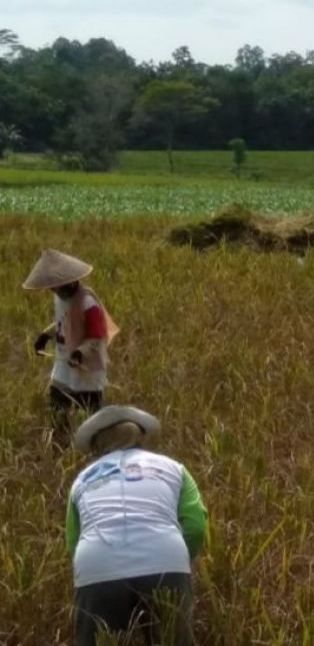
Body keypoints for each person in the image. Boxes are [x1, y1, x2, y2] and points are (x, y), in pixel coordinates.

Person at [67, 405, 208, 646]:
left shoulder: (81, 480)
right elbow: (195, 527)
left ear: (97, 447)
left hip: (97, 566)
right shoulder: (174, 469)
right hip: (165, 560)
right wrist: (177, 562)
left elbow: (73, 541)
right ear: (140, 439)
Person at [23, 249, 119, 442]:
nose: (55, 291)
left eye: (58, 287)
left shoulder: (88, 303)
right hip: (63, 366)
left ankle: (95, 447)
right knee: (58, 408)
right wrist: (46, 334)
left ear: (71, 282)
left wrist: (79, 353)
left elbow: (97, 336)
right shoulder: (60, 298)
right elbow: (64, 322)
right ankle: (60, 446)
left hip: (86, 368)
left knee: (90, 414)